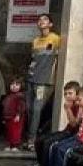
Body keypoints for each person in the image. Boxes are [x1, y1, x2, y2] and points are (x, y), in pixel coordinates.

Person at [25, 13, 62, 148]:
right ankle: (30, 135)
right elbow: (33, 60)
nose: (41, 21)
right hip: (31, 78)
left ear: (50, 24)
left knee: (36, 109)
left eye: (45, 19)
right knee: (29, 109)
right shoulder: (35, 41)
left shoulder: (56, 39)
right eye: (39, 20)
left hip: (44, 81)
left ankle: (31, 140)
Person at [35, 81, 82, 166]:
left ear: (77, 94)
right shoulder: (70, 104)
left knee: (48, 143)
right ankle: (42, 165)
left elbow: (74, 124)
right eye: (65, 94)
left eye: (70, 93)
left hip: (74, 134)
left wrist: (68, 109)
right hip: (68, 130)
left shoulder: (80, 105)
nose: (67, 96)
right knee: (40, 140)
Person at [2, 76, 27, 151]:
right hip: (8, 117)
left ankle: (15, 145)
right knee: (9, 132)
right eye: (12, 84)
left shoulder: (19, 96)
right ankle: (10, 145)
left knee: (15, 132)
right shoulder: (9, 96)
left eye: (17, 84)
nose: (14, 86)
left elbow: (21, 107)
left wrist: (18, 115)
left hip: (15, 117)